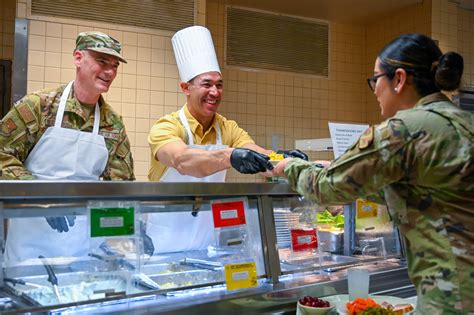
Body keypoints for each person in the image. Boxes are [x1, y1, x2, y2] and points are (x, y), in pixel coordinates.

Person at [273, 33, 473, 314]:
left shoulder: (403, 129)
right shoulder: (465, 121)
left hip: (454, 298)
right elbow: (425, 192)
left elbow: (327, 188)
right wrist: (334, 170)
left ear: (399, 79)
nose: (375, 90)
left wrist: (287, 167)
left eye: (375, 80)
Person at [147, 26, 307, 253]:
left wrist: (286, 158)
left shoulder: (227, 127)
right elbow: (182, 160)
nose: (215, 92)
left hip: (206, 244)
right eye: (206, 84)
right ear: (185, 88)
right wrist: (230, 156)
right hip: (164, 245)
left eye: (219, 85)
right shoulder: (166, 126)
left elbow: (260, 158)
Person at [0, 31, 135, 264]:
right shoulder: (39, 106)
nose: (110, 71)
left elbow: (120, 186)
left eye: (114, 65)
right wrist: (41, 198)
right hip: (29, 246)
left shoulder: (112, 123)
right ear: (78, 58)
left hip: (82, 248)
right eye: (102, 61)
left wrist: (127, 232)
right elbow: (2, 154)